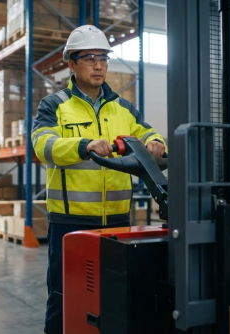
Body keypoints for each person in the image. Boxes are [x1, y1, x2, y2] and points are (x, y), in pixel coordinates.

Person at [31, 25, 167, 334]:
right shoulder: (54, 106)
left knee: (114, 296)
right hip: (70, 221)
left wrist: (157, 143)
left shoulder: (123, 108)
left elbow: (148, 132)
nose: (99, 65)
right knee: (65, 296)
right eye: (90, 57)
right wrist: (84, 145)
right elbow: (43, 146)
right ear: (71, 64)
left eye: (103, 57)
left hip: (117, 221)